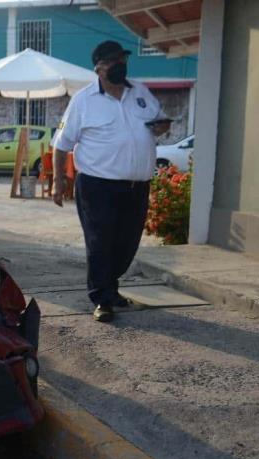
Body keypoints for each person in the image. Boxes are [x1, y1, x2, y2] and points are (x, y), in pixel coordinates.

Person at [51, 40, 171, 322]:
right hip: (97, 186)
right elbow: (61, 144)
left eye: (123, 60)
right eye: (113, 61)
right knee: (100, 243)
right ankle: (102, 299)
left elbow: (158, 122)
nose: (120, 65)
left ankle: (111, 290)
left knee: (126, 245)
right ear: (99, 68)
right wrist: (59, 181)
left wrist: (162, 127)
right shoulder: (83, 100)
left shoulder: (140, 92)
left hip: (136, 186)